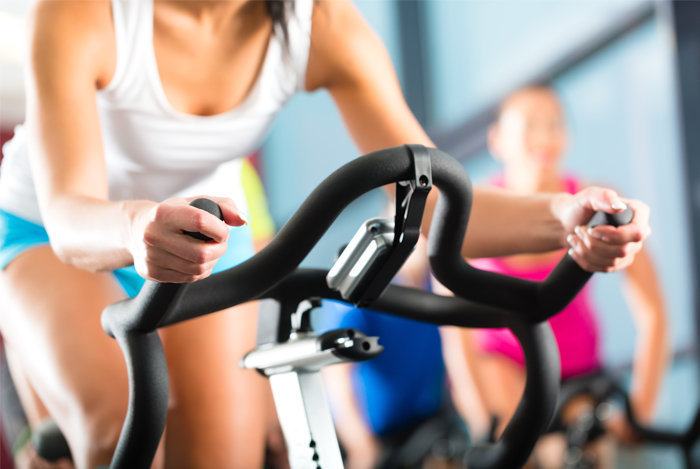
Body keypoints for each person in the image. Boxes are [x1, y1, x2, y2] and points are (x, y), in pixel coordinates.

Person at [0, 1, 651, 468]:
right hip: (52, 232)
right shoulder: (82, 12)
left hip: (203, 239)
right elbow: (68, 214)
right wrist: (136, 225)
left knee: (225, 457)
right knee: (121, 427)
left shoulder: (321, 25)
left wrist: (564, 218)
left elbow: (438, 207)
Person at [453, 86, 669, 467]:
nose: (544, 137)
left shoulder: (598, 204)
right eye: (530, 126)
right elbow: (455, 333)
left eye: (554, 125)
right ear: (497, 140)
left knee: (591, 454)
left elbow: (653, 312)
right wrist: (479, 418)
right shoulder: (474, 214)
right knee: (523, 447)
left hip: (577, 371)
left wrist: (640, 411)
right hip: (503, 369)